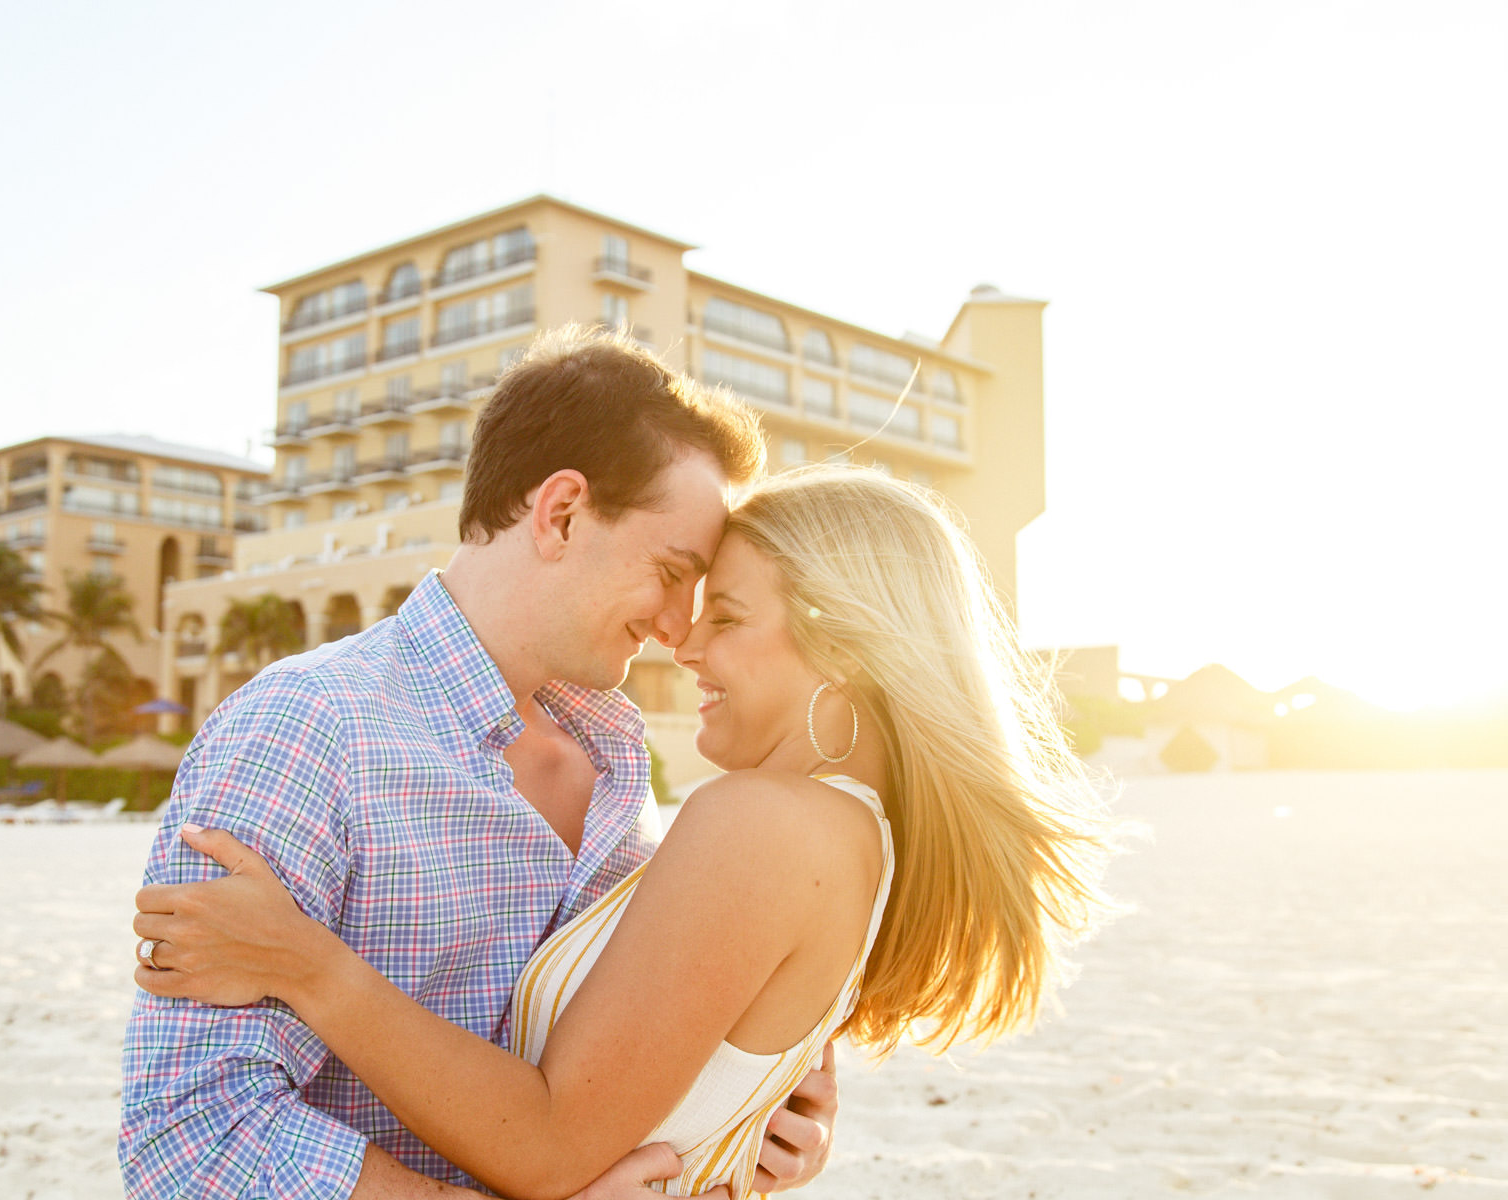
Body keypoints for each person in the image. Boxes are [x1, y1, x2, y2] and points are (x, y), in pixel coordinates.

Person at [133, 464, 1120, 1199]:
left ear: (847, 645)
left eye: (725, 615)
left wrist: (310, 968)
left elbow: (551, 1141)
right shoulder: (848, 835)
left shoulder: (760, 824)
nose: (684, 641)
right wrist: (749, 1125)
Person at [120, 326, 842, 1200]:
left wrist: (754, 1106)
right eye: (670, 570)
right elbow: (191, 1140)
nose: (677, 627)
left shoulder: (620, 765)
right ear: (561, 512)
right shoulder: (305, 727)